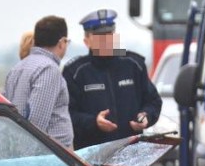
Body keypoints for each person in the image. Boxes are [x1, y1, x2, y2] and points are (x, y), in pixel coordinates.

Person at [63, 9, 162, 149]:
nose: (106, 41)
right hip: (92, 157)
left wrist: (146, 116)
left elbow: (153, 102)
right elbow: (66, 114)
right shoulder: (75, 72)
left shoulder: (134, 64)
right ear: (87, 41)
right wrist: (94, 122)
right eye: (100, 37)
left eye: (109, 35)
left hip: (132, 153)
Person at [2, 16, 74, 152]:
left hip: (22, 156)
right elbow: (36, 126)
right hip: (48, 161)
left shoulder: (18, 68)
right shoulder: (48, 69)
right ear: (62, 42)